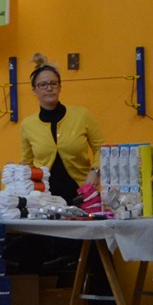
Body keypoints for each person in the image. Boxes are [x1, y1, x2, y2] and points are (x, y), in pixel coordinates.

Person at [18, 55, 100, 205]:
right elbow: (28, 163)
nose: (49, 88)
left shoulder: (82, 115)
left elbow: (101, 148)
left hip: (83, 195)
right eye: (43, 84)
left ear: (60, 87)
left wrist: (95, 171)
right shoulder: (27, 125)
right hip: (44, 200)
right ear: (34, 90)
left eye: (53, 83)